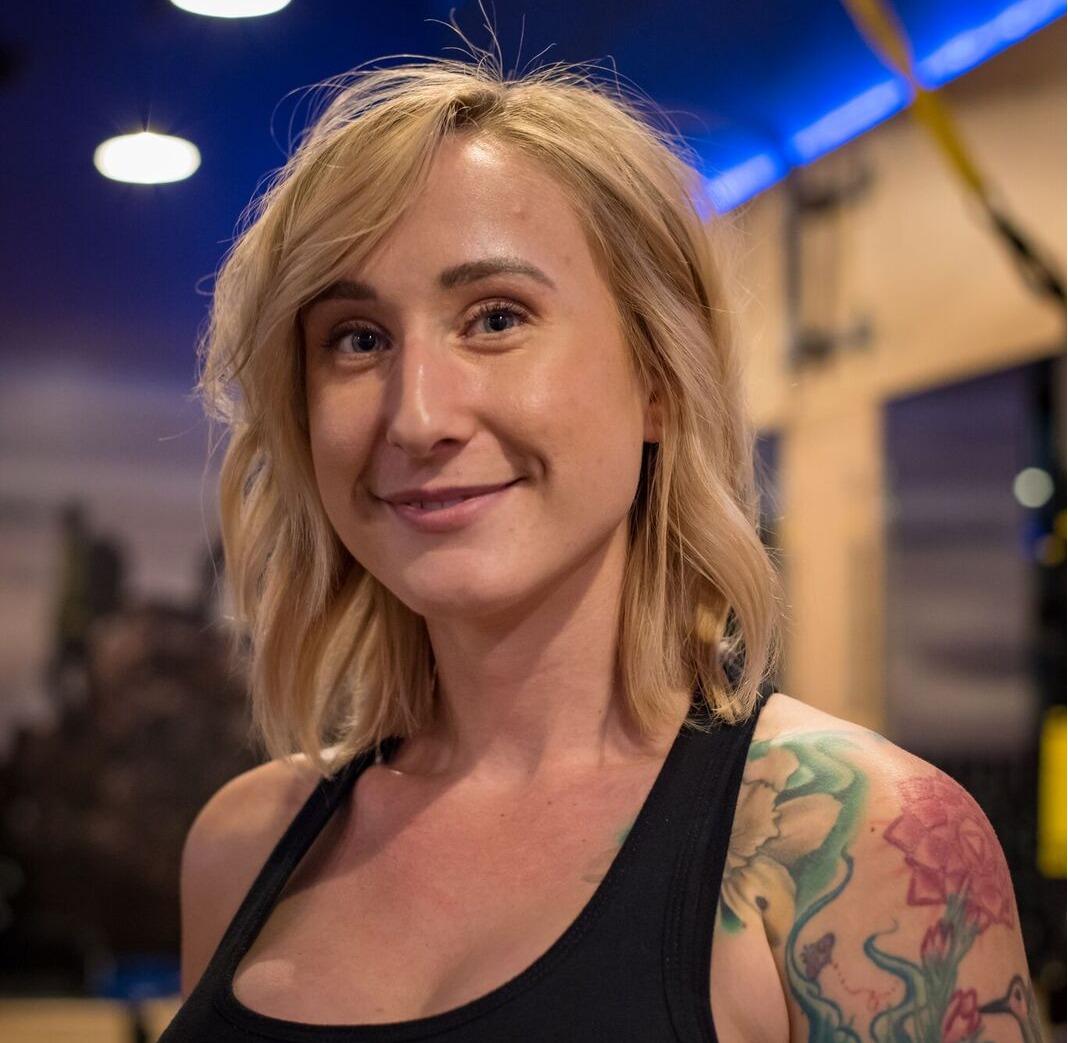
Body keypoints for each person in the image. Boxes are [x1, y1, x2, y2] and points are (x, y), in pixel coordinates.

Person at [161, 51, 1040, 1043]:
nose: (417, 416)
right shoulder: (245, 844)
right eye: (357, 338)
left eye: (495, 318)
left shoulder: (857, 840)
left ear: (658, 378)